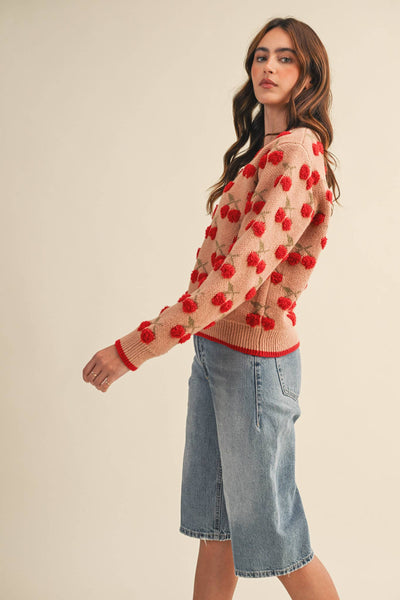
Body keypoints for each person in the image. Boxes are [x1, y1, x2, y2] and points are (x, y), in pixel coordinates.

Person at [82, 15, 341, 600]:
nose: (268, 66)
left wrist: (132, 349)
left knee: (277, 540)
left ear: (308, 76)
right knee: (216, 531)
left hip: (254, 366)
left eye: (286, 58)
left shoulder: (298, 152)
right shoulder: (265, 151)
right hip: (217, 353)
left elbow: (234, 280)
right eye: (261, 56)